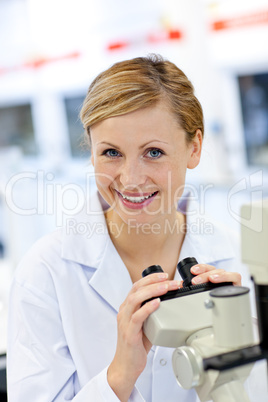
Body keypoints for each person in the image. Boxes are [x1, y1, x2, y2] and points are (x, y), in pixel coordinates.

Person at [7, 54, 252, 402]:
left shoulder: (239, 263)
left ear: (194, 148)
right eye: (111, 153)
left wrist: (235, 352)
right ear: (90, 153)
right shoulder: (46, 272)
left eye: (153, 152)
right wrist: (119, 376)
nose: (131, 179)